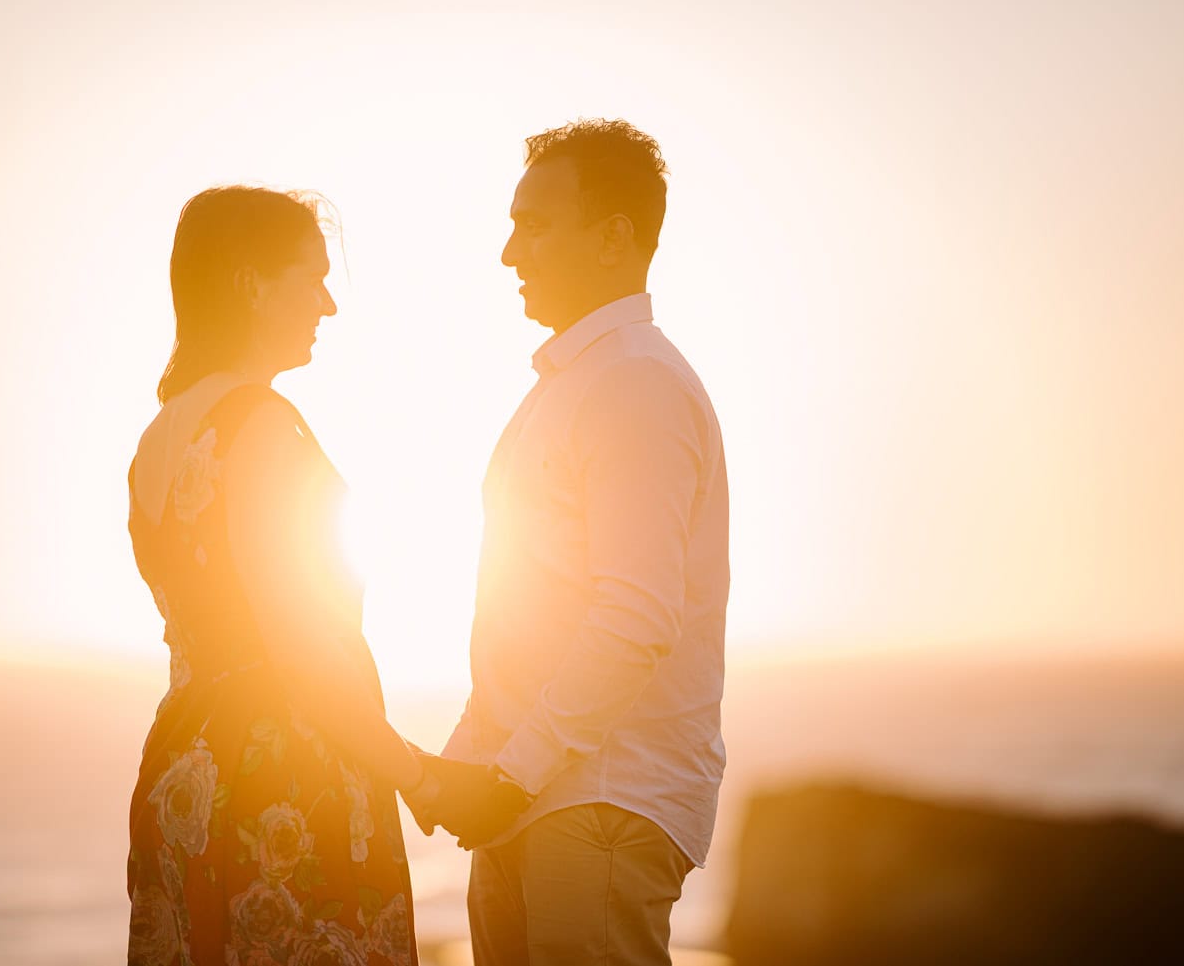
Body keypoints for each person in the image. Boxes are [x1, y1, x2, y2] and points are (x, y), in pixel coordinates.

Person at [424, 120, 732, 965]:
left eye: (534, 224)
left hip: (597, 806)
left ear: (615, 237)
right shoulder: (572, 385)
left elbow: (635, 615)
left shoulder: (633, 380)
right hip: (534, 798)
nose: (508, 252)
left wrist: (509, 773)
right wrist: (469, 761)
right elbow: (534, 607)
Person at [123, 186, 438, 966]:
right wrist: (417, 775)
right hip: (282, 779)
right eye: (312, 276)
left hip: (183, 772)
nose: (328, 303)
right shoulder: (260, 425)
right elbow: (298, 647)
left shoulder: (156, 440)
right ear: (249, 283)